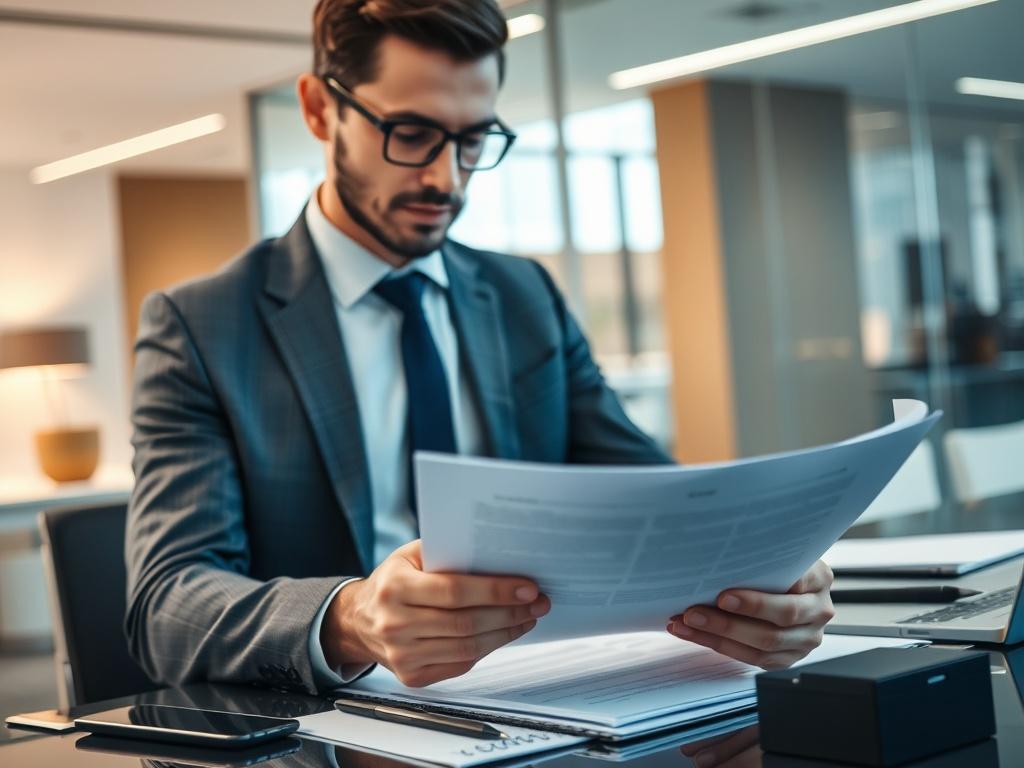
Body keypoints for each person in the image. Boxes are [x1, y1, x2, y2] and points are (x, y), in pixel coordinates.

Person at [124, 0, 834, 695]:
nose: (446, 177)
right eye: (410, 132)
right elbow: (167, 605)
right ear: (318, 110)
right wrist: (349, 619)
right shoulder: (203, 327)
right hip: (337, 721)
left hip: (544, 702)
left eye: (472, 140)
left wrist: (763, 578)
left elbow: (658, 506)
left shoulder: (526, 298)